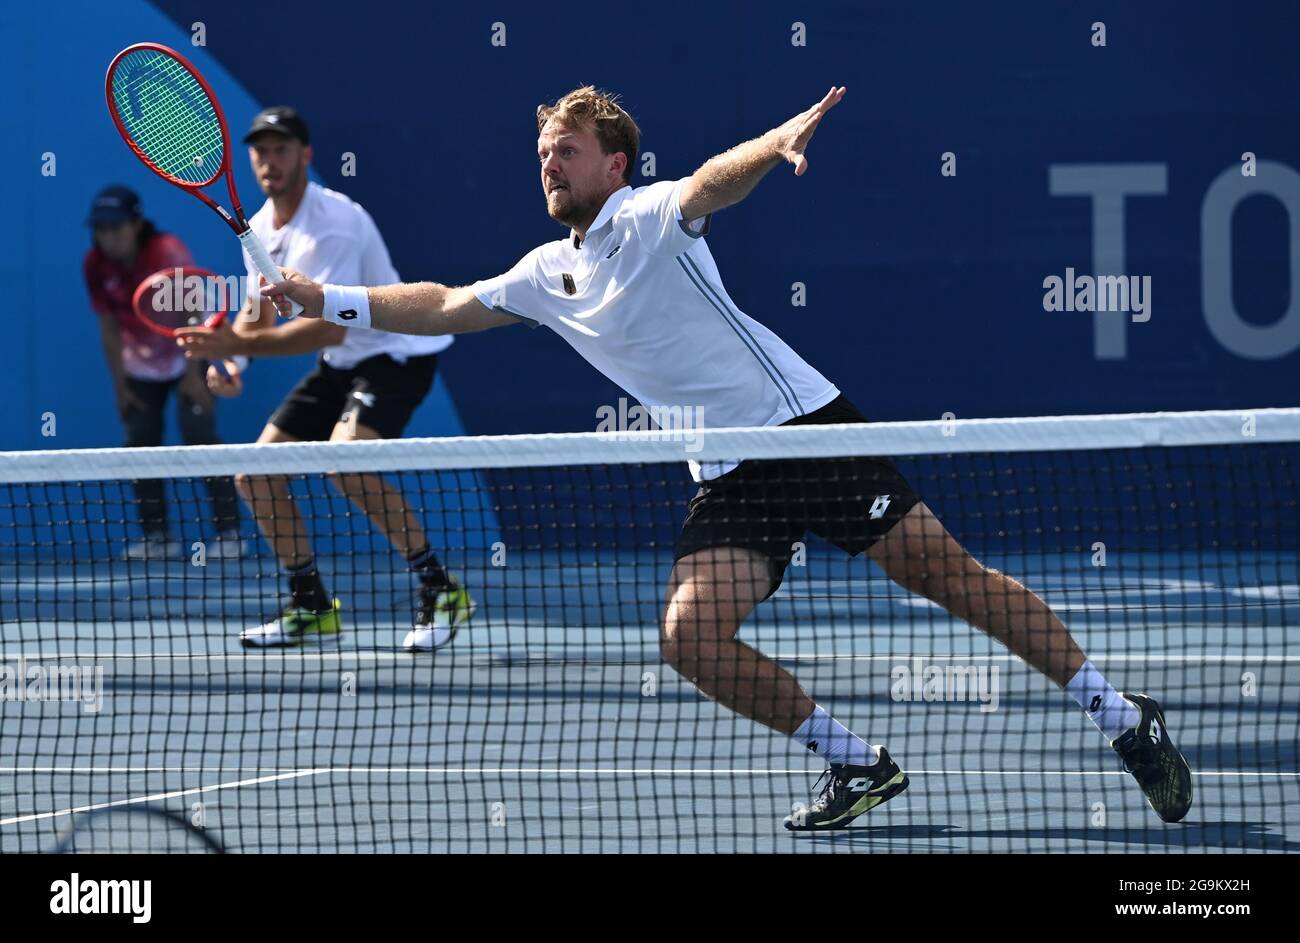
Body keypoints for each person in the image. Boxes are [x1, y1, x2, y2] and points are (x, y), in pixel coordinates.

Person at [254, 87, 1192, 828]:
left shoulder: (653, 214)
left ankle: (1121, 715)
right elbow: (443, 303)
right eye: (542, 150)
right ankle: (854, 760)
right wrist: (326, 296)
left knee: (951, 580)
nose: (548, 160)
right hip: (725, 473)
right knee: (689, 640)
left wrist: (778, 138)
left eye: (565, 149)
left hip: (803, 430)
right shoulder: (546, 273)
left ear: (612, 163)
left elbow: (714, 179)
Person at [178, 107, 473, 652]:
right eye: (260, 150)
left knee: (345, 461)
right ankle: (311, 604)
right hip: (342, 366)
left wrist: (234, 345)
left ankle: (441, 590)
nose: (270, 160)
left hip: (394, 354)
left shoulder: (334, 223)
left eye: (281, 148)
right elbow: (257, 314)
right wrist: (235, 363)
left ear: (305, 155)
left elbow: (326, 333)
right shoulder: (261, 226)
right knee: (255, 474)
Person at [82, 185, 242, 561]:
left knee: (199, 433)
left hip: (188, 353)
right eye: (101, 229)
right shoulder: (94, 264)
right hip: (139, 365)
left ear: (136, 224)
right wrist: (120, 387)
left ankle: (230, 532)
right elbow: (109, 327)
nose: (108, 236)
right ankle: (158, 536)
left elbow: (192, 314)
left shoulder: (166, 251)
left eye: (116, 227)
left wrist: (193, 375)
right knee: (140, 443)